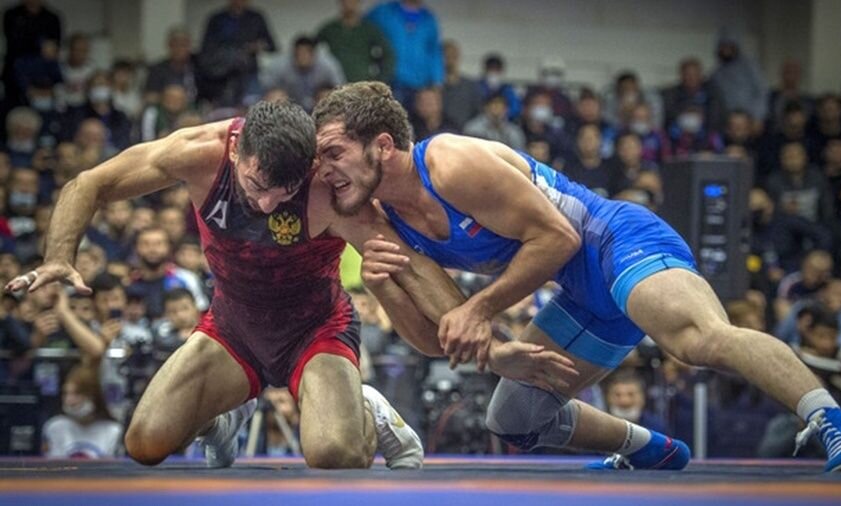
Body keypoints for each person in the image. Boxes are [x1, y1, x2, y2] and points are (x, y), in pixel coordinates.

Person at [313, 81, 841, 474]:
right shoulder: (385, 222)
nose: (325, 171)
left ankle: (835, 420)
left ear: (382, 146)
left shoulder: (450, 163)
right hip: (576, 288)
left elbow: (559, 238)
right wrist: (390, 286)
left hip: (614, 241)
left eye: (334, 153)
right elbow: (438, 336)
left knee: (695, 341)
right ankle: (651, 449)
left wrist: (481, 311)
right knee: (513, 416)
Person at [6, 99, 565, 470]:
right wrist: (59, 254)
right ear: (233, 151)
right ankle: (226, 413)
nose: (270, 202)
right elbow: (90, 183)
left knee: (333, 456)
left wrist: (491, 348)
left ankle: (368, 413)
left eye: (285, 190)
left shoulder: (328, 192)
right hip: (232, 328)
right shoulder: (197, 152)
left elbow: (413, 265)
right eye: (256, 187)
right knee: (144, 443)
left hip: (314, 330)